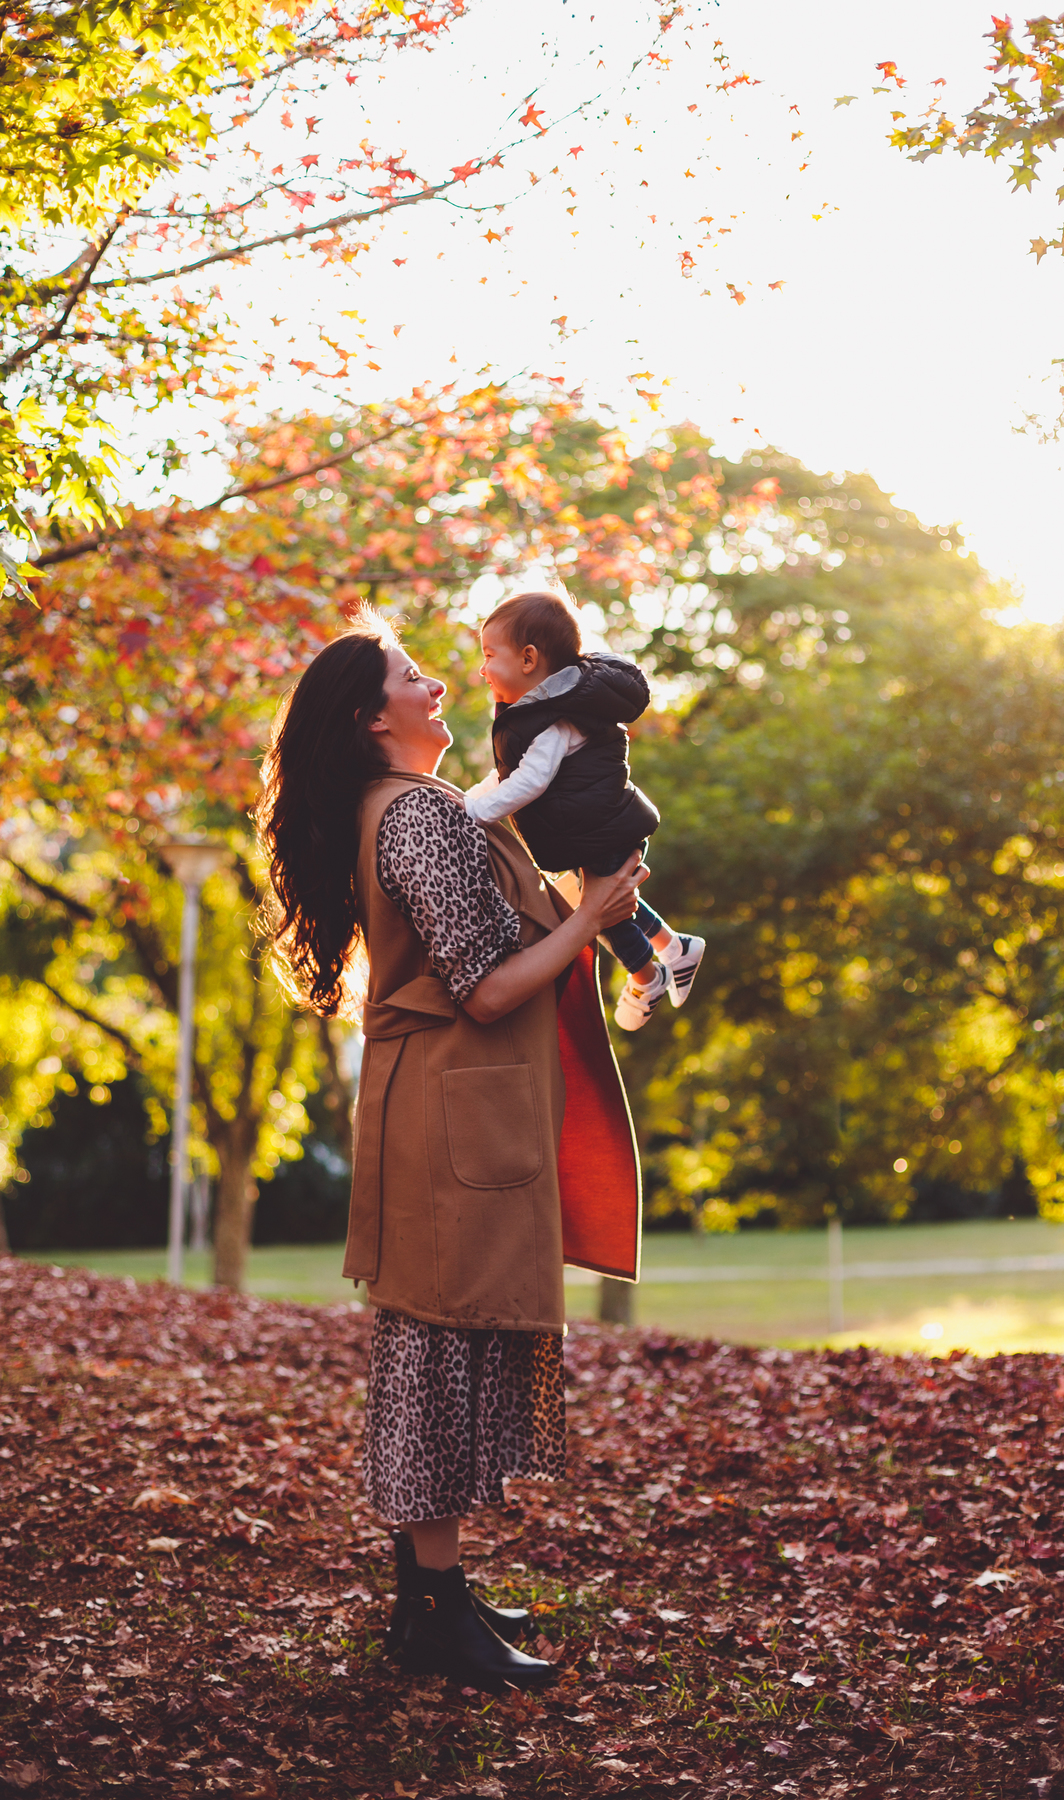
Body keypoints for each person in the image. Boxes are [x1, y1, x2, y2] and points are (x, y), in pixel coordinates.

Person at [257, 606, 645, 1695]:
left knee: (440, 1352)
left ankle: (434, 1597)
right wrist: (590, 918)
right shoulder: (420, 817)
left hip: (450, 1113)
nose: (438, 685)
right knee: (435, 1355)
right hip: (449, 1120)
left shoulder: (423, 805)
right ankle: (433, 1621)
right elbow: (482, 989)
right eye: (414, 675)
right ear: (370, 716)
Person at [464, 589, 705, 1031]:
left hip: (603, 829)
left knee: (605, 913)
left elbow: (529, 782)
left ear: (529, 659)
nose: (482, 669)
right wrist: (469, 797)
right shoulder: (538, 709)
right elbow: (507, 774)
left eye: (489, 655)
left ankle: (647, 977)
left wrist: (474, 813)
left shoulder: (559, 716)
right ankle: (676, 948)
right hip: (597, 828)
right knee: (614, 897)